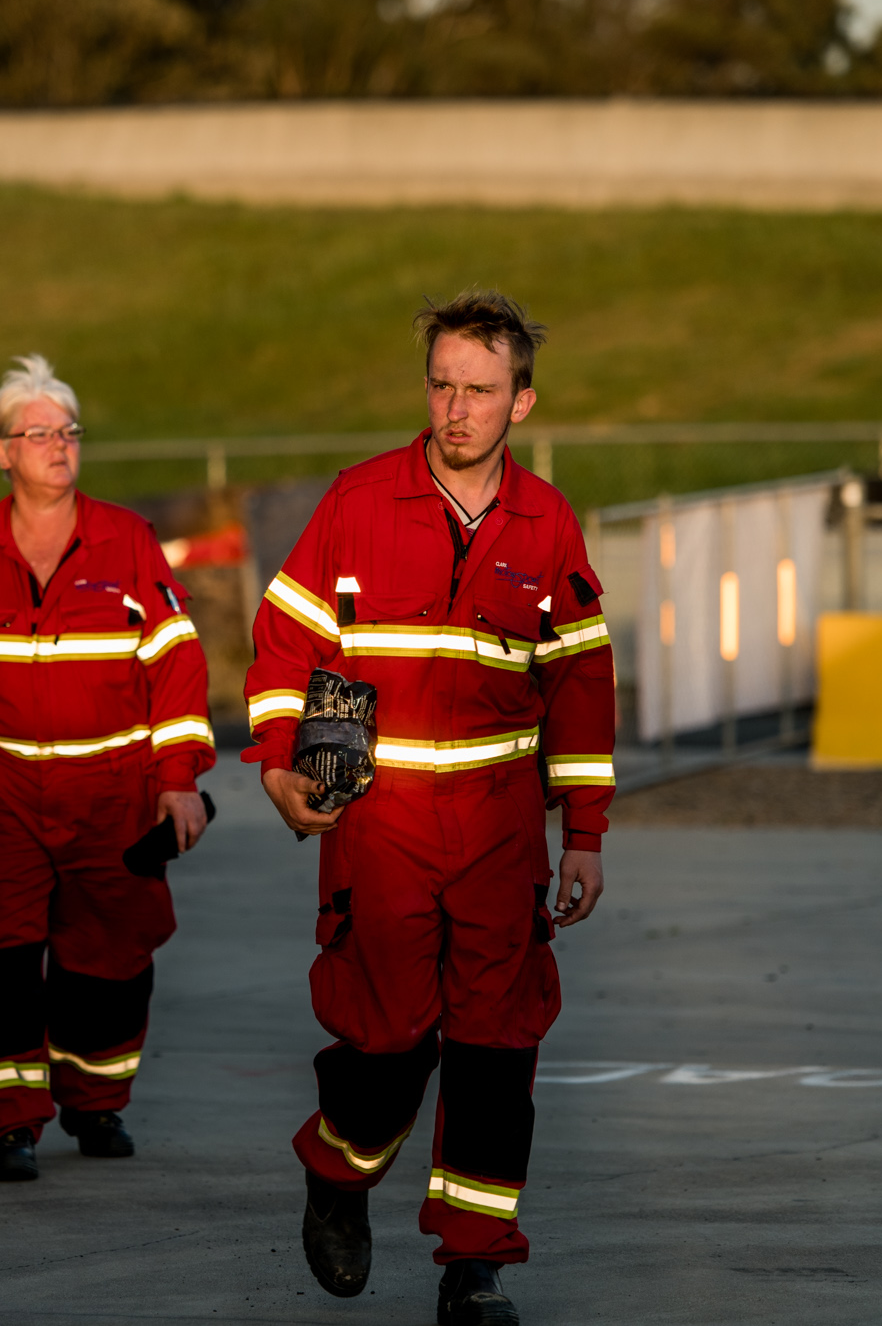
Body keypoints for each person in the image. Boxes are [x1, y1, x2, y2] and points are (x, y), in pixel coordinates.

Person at [242, 291, 615, 1324]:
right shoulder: (355, 503)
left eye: (480, 391)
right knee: (384, 1040)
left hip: (499, 831)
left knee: (498, 1047)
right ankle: (337, 1167)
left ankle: (474, 1264)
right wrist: (280, 769)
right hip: (379, 824)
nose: (456, 410)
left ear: (520, 404)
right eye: (442, 386)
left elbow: (579, 685)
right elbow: (284, 653)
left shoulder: (547, 524)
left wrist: (581, 832)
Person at [0, 355, 215, 1181]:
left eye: (67, 431)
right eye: (37, 433)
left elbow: (176, 662)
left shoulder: (128, 540)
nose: (58, 446)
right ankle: (6, 1125)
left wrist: (178, 776)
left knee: (111, 961)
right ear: (2, 451)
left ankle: (95, 1101)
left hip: (113, 793)